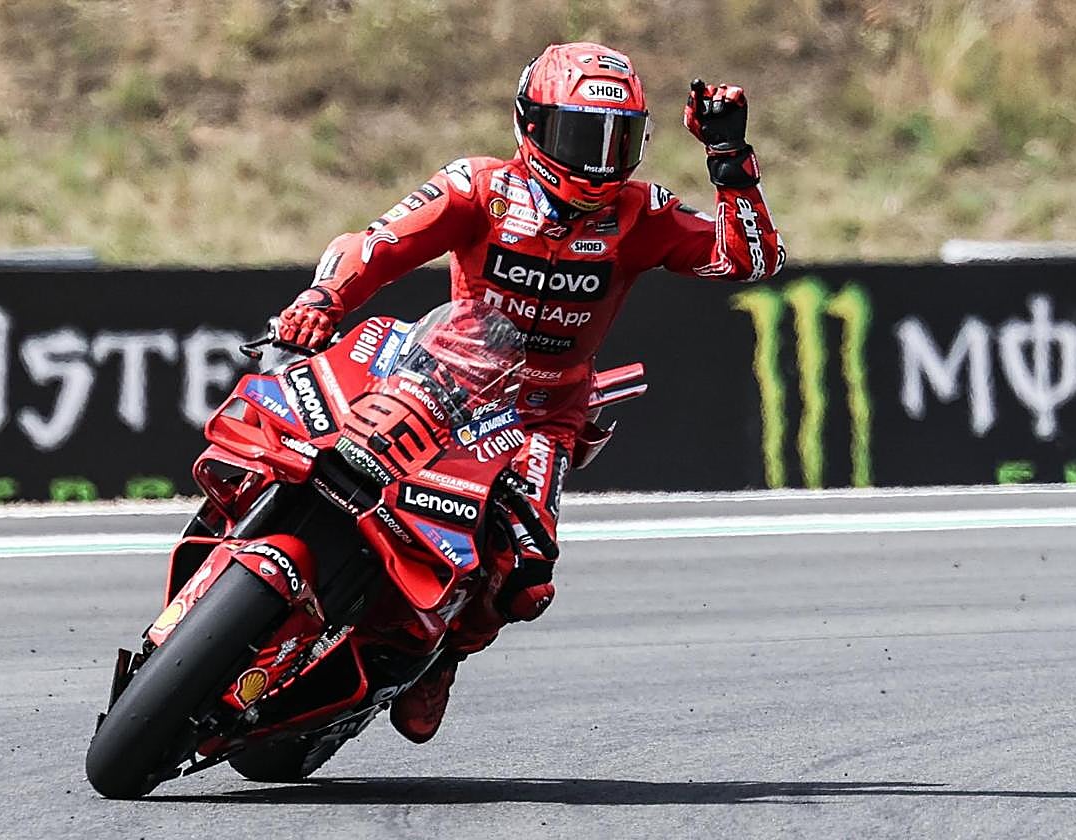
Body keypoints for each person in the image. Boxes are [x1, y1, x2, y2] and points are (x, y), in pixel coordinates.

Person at [269, 42, 784, 743]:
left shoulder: (639, 212)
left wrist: (729, 161)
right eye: (583, 137)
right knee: (304, 434)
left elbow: (747, 258)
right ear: (532, 124)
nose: (601, 161)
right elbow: (377, 244)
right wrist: (323, 298)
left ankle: (440, 656)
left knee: (526, 581)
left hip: (542, 419)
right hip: (439, 379)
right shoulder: (479, 187)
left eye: (619, 141)